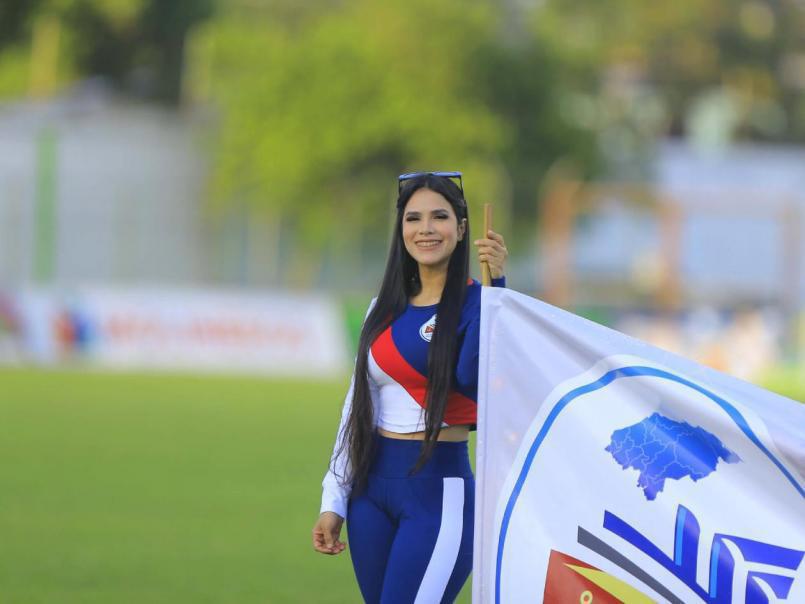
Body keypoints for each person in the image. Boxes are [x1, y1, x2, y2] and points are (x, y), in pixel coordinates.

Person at [312, 171, 508, 603]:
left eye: (439, 217)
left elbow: (475, 379)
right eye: (413, 218)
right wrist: (335, 498)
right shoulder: (382, 307)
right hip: (370, 491)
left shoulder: (484, 301)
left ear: (460, 229)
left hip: (437, 491)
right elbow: (357, 406)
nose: (425, 229)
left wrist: (498, 291)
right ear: (401, 230)